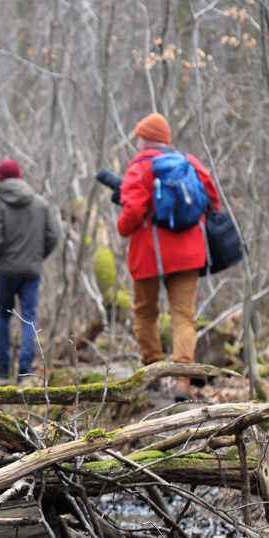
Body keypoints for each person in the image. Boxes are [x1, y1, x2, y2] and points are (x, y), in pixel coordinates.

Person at [116, 112, 220, 400]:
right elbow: (213, 200)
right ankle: (183, 380)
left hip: (150, 253)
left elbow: (133, 213)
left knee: (145, 312)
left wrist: (122, 225)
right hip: (188, 252)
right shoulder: (190, 163)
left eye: (139, 135)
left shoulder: (139, 167)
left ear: (147, 137)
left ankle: (152, 374)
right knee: (184, 315)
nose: (137, 141)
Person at [0, 159, 59, 381]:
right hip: (31, 271)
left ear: (1, 178)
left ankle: (2, 367)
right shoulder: (40, 204)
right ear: (19, 176)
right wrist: (37, 258)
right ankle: (25, 369)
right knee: (28, 317)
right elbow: (53, 237)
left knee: (3, 316)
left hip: (7, 271)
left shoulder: (0, 205)